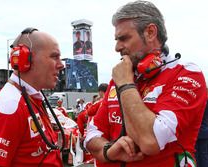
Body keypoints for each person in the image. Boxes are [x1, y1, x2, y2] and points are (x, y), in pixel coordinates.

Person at [85, 1, 207, 167]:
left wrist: (126, 85)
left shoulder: (186, 73)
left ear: (150, 32)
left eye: (124, 38)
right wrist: (108, 150)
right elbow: (91, 136)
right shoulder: (121, 78)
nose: (117, 47)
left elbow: (150, 141)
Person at [0, 28, 65, 167]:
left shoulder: (31, 97)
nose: (61, 65)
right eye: (54, 56)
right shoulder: (9, 106)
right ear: (25, 59)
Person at [195, 87, 208, 167]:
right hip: (206, 131)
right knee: (204, 154)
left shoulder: (199, 101)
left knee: (196, 154)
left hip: (197, 132)